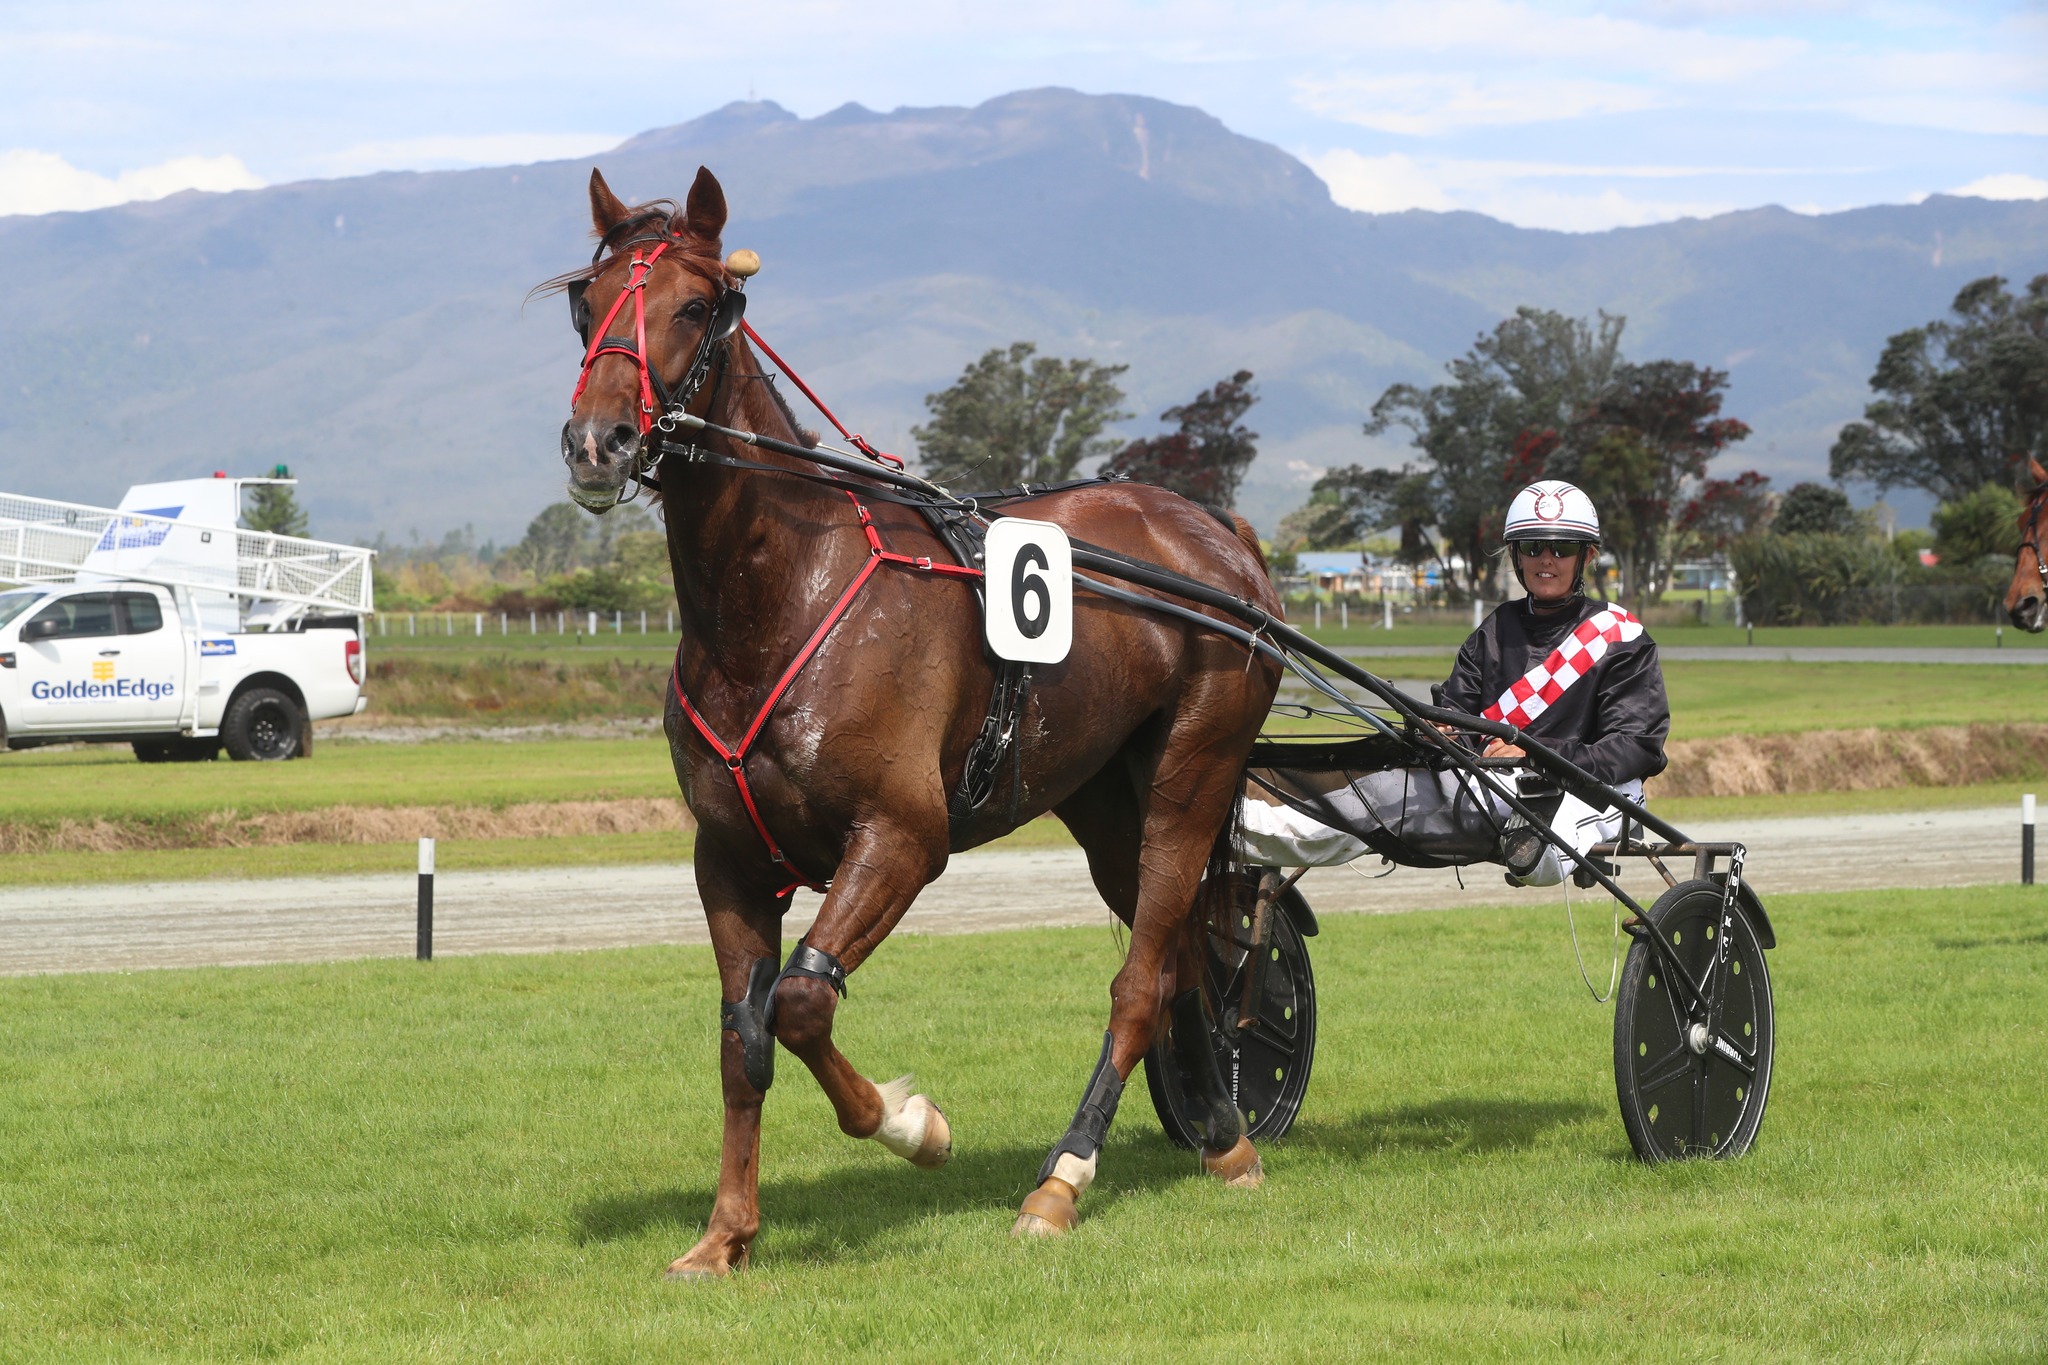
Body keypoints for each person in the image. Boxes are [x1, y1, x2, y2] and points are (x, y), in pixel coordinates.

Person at [1241, 480, 1671, 885]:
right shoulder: (1497, 627)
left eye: (1562, 548)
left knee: (1534, 861)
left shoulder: (1620, 636)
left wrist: (1536, 754)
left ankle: (1234, 829)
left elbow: (1635, 746)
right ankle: (1236, 826)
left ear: (1587, 556)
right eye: (1533, 546)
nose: (1546, 559)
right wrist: (1439, 732)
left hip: (1594, 793)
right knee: (1380, 795)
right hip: (1492, 785)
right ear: (1516, 554)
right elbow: (1457, 711)